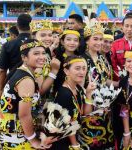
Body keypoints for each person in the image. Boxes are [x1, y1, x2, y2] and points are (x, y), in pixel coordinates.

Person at [0, 39, 55, 149]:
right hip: (16, 134)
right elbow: (24, 115)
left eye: (43, 53)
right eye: (36, 53)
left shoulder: (23, 72)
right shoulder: (26, 80)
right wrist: (33, 140)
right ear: (24, 58)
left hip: (11, 129)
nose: (42, 57)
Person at [78, 22, 116, 150]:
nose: (100, 42)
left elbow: (106, 81)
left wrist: (123, 83)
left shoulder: (102, 59)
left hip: (105, 108)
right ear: (87, 41)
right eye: (95, 39)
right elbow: (79, 86)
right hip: (89, 107)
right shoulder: (81, 60)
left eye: (101, 39)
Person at [49, 55, 96, 150]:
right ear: (66, 71)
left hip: (73, 137)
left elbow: (86, 114)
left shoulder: (77, 89)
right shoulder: (64, 94)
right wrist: (75, 145)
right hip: (63, 141)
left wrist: (88, 94)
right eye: (77, 68)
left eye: (84, 68)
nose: (82, 72)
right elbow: (68, 123)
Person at [0, 14, 32, 99]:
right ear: (30, 26)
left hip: (13, 85)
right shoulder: (38, 44)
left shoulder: (8, 45)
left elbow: (1, 71)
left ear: (17, 26)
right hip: (34, 84)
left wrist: (0, 89)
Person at [111, 15, 132, 81]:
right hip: (120, 80)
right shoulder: (115, 44)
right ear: (122, 27)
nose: (129, 29)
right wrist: (121, 77)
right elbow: (113, 64)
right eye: (127, 26)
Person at [53, 30, 80, 94]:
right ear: (62, 42)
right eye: (68, 39)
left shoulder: (80, 59)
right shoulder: (56, 59)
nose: (72, 43)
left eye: (75, 40)